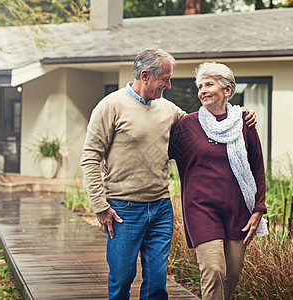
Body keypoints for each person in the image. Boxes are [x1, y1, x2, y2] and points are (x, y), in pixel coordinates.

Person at [81, 49, 257, 299]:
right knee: (121, 279)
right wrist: (100, 205)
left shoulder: (168, 109)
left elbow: (204, 127)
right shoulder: (111, 106)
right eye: (165, 78)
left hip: (160, 208)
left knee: (156, 283)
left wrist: (240, 115)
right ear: (145, 76)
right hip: (123, 210)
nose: (169, 84)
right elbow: (90, 157)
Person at [169, 62, 269, 300]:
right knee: (214, 270)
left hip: (237, 210)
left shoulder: (244, 122)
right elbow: (156, 152)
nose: (202, 90)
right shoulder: (187, 126)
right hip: (201, 209)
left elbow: (257, 165)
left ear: (227, 90)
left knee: (232, 274)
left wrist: (259, 208)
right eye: (200, 86)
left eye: (209, 84)